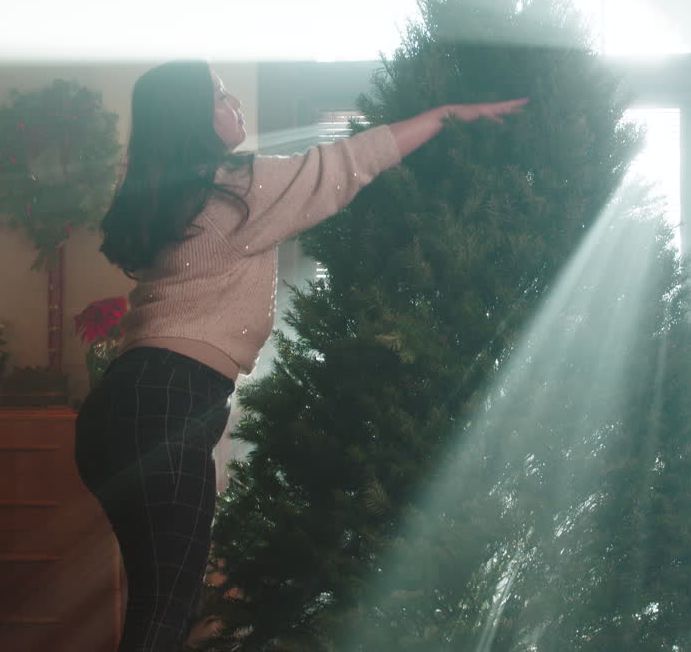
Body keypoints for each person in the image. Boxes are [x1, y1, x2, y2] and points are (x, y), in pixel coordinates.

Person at [74, 59, 527, 652]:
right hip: (168, 402)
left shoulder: (162, 198)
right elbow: (348, 162)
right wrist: (442, 116)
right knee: (168, 606)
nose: (233, 102)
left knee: (156, 601)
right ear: (191, 119)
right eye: (217, 96)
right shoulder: (239, 189)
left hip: (118, 409)